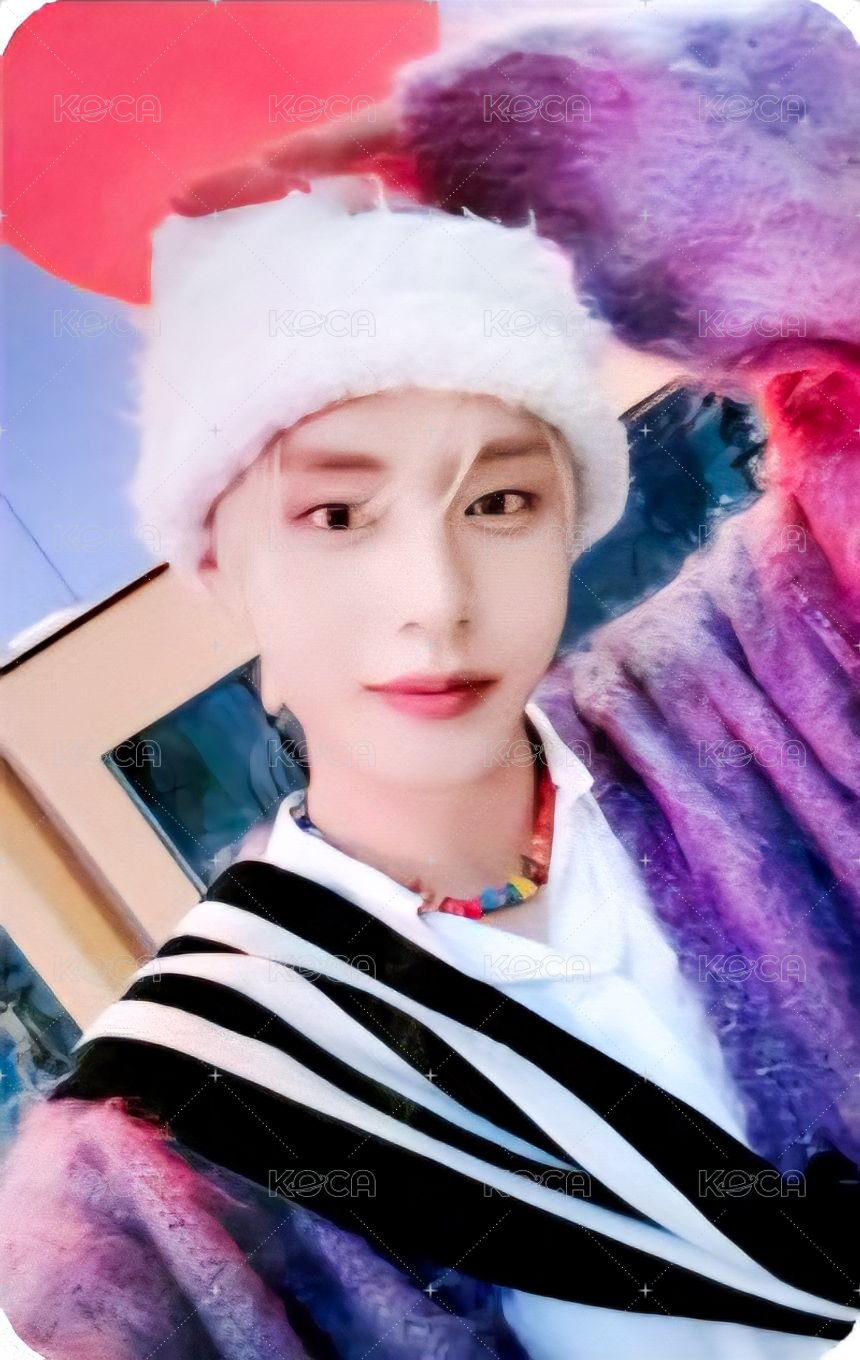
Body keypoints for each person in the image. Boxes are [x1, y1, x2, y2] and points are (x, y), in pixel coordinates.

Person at [0, 171, 857, 1360]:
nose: (434, 598)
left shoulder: (758, 691)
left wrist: (637, 159)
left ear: (571, 517)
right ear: (218, 566)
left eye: (498, 500)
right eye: (338, 517)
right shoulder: (150, 1165)